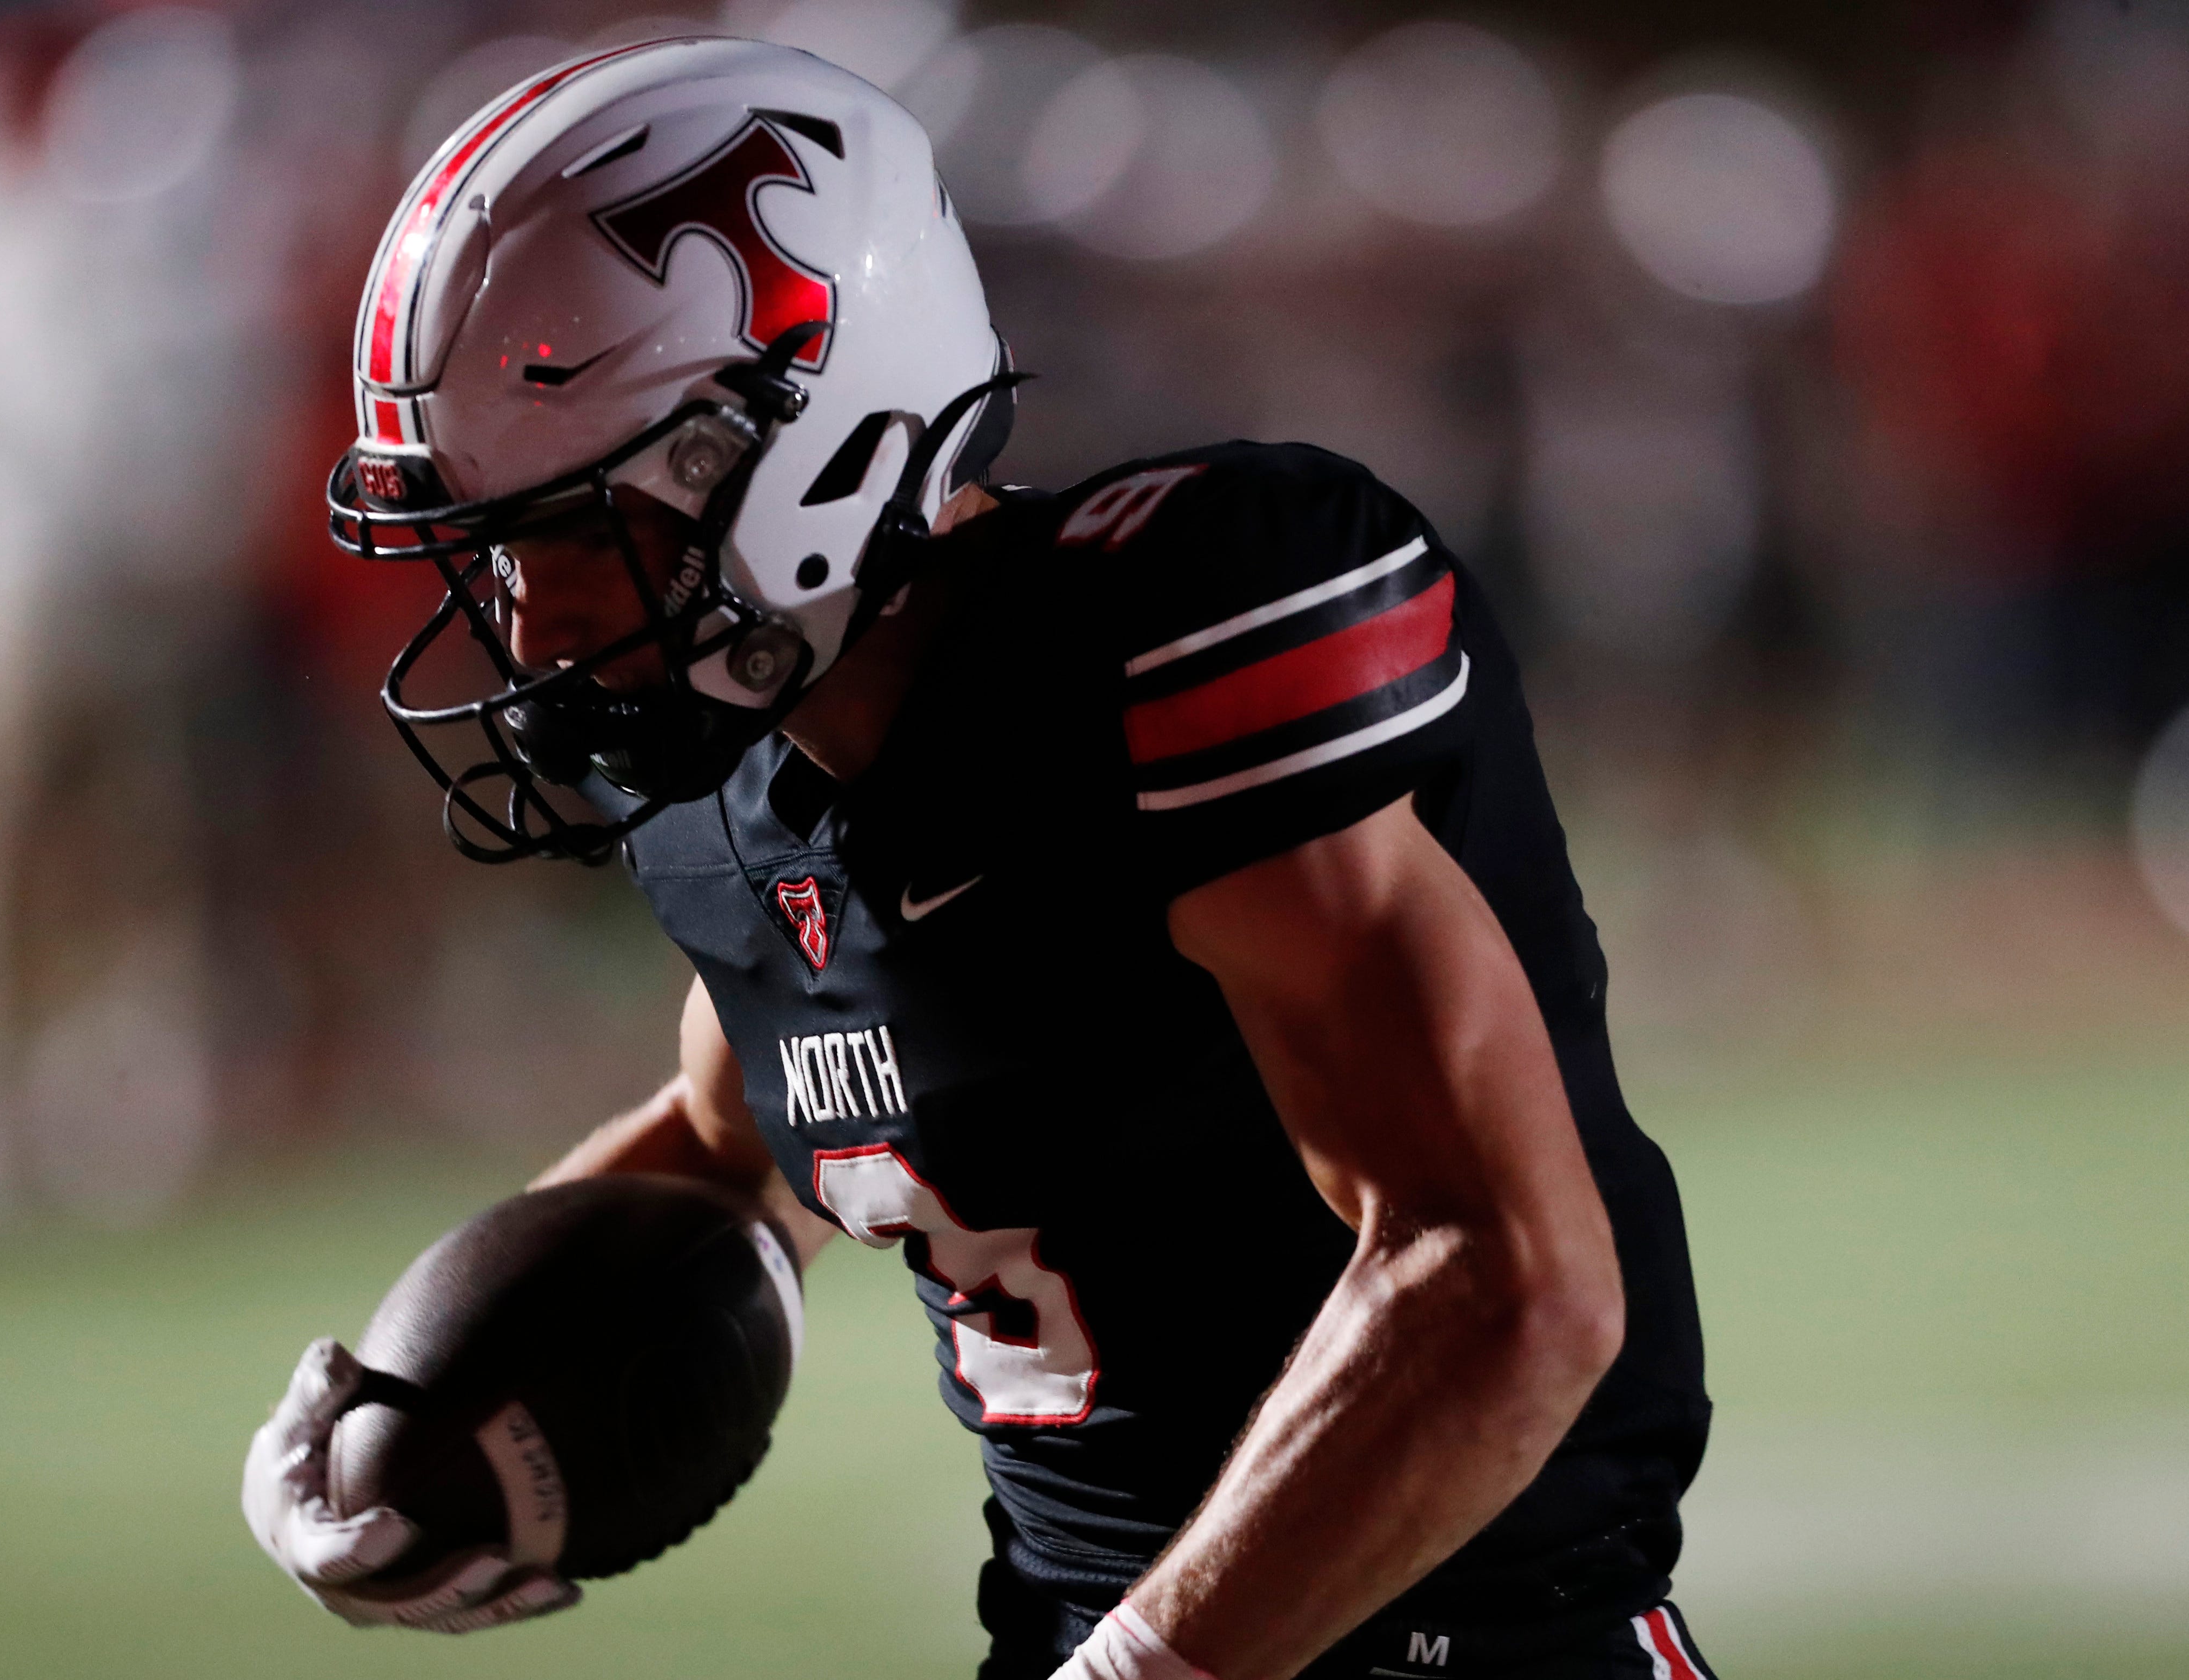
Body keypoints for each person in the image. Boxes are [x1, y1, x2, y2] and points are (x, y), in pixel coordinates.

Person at [243, 37, 1715, 1680]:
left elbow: (1509, 1280)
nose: (532, 625)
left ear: (787, 447)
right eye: (488, 551)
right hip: (1108, 1639)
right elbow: (737, 1151)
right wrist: (410, 1411)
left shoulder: (1162, 636)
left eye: (570, 536)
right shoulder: (742, 785)